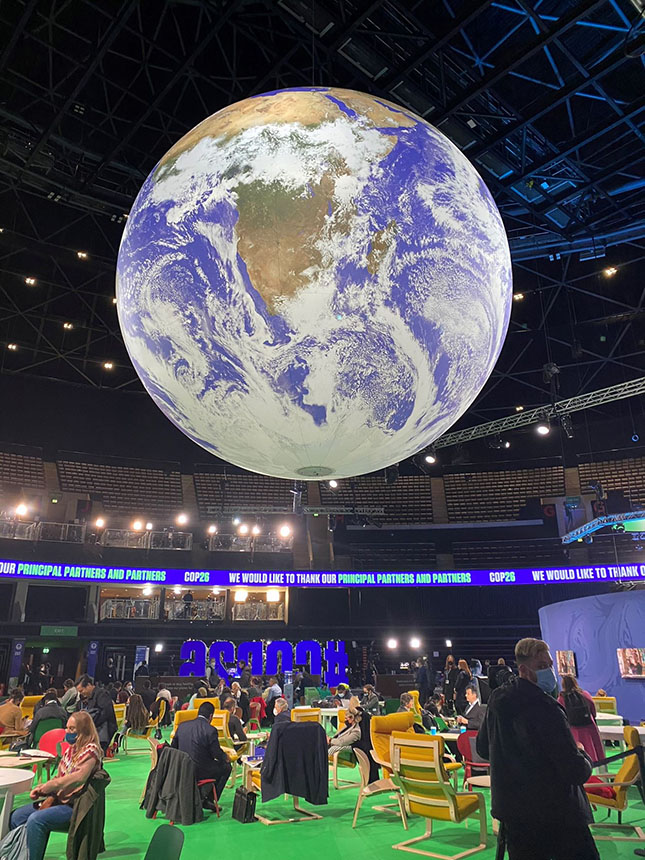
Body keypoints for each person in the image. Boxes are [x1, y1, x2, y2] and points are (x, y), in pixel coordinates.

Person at [477, 637, 599, 860]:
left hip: (513, 813)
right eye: (542, 666)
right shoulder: (546, 708)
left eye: (550, 665)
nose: (549, 671)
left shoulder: (497, 699)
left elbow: (484, 748)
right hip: (557, 814)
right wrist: (582, 753)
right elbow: (574, 771)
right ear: (523, 669)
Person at [9, 711, 102, 860]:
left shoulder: (91, 751)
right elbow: (59, 777)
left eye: (72, 729)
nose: (67, 732)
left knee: (36, 820)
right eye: (67, 728)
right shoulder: (71, 750)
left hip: (76, 806)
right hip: (59, 799)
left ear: (83, 730)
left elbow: (78, 778)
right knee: (16, 816)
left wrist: (51, 786)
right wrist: (43, 791)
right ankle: (19, 854)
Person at [171, 701, 231, 808]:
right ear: (211, 716)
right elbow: (216, 753)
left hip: (181, 769)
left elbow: (173, 748)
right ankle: (209, 799)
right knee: (226, 767)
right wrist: (225, 757)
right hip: (200, 770)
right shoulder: (210, 730)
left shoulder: (182, 726)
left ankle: (203, 796)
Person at [558, 675, 604, 761]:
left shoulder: (561, 698)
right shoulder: (585, 694)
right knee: (594, 751)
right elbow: (593, 710)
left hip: (573, 729)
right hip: (589, 727)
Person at [76, 674, 117, 754]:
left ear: (88, 685)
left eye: (81, 691)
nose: (81, 694)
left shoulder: (102, 694)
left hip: (104, 732)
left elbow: (106, 713)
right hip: (95, 731)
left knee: (96, 757)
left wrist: (91, 724)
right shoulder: (91, 697)